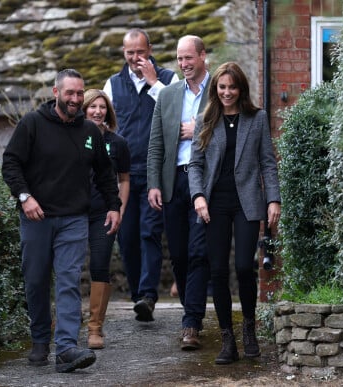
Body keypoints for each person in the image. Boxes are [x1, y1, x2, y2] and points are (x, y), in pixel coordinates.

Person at [2, 69, 121, 373]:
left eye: (80, 93)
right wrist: (25, 197)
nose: (76, 99)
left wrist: (113, 206)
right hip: (37, 218)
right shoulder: (33, 124)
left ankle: (67, 348)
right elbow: (11, 162)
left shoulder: (90, 132)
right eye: (70, 93)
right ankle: (40, 339)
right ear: (56, 93)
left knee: (68, 281)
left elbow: (106, 174)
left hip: (74, 219)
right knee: (36, 281)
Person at [187, 62, 281, 365]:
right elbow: (196, 165)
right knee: (217, 271)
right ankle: (228, 338)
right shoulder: (206, 120)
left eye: (232, 87)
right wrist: (198, 196)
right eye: (222, 87)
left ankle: (249, 330)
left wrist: (273, 200)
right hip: (214, 204)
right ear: (216, 89)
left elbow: (268, 161)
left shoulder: (257, 118)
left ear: (241, 88)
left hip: (247, 203)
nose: (227, 92)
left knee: (243, 267)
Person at [103, 28, 179, 322]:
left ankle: (148, 295)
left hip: (154, 172)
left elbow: (176, 112)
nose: (135, 58)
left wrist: (153, 83)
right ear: (124, 53)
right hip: (122, 175)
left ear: (150, 50)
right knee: (127, 237)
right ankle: (138, 296)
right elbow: (103, 123)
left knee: (150, 232)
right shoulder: (112, 84)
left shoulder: (169, 80)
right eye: (130, 53)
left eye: (140, 52)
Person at [147, 35, 210, 350]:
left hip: (205, 183)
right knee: (181, 256)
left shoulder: (219, 90)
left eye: (189, 58)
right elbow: (156, 142)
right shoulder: (169, 95)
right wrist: (154, 183)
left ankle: (192, 323)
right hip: (173, 183)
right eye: (179, 59)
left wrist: (196, 128)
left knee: (200, 252)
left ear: (202, 56)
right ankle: (191, 310)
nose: (184, 64)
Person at [82, 89, 131, 349]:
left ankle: (95, 329)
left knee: (100, 266)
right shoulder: (73, 138)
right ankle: (62, 322)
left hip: (104, 213)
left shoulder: (118, 143)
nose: (98, 111)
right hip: (74, 211)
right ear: (84, 109)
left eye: (102, 107)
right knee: (66, 266)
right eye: (92, 107)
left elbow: (124, 179)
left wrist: (119, 210)